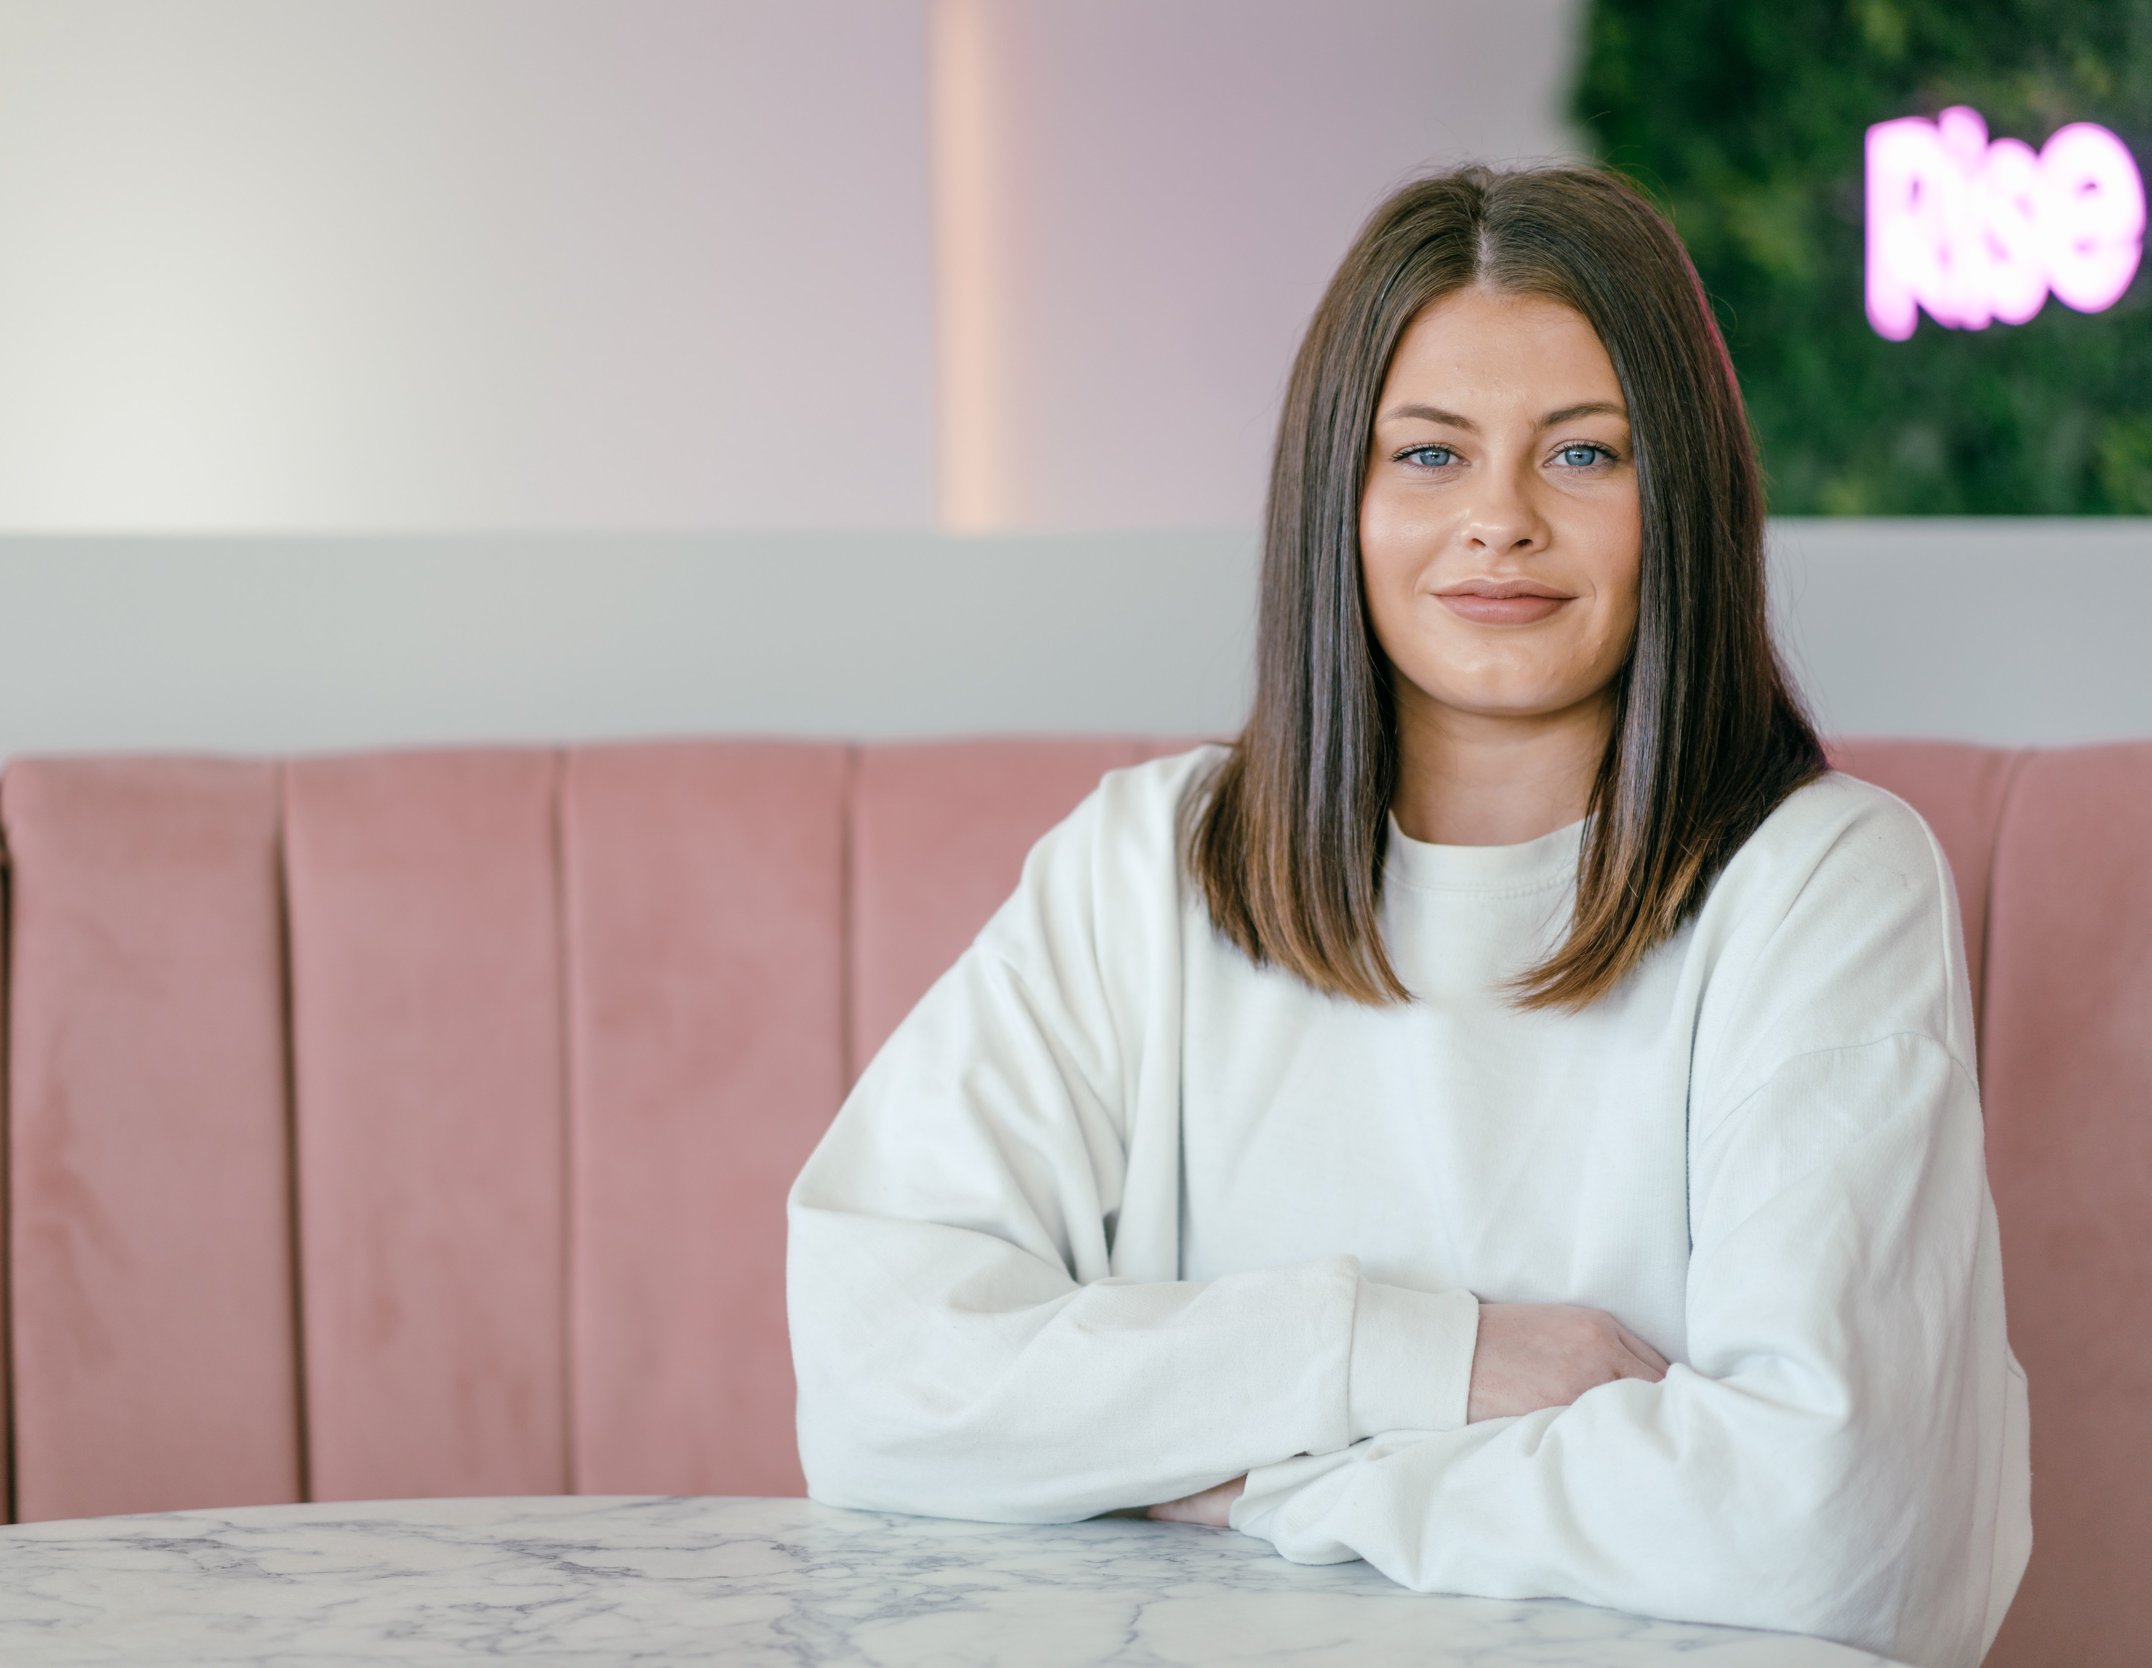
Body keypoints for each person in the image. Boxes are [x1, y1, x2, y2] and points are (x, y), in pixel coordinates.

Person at [785, 163, 2029, 1668]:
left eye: (1583, 454)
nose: (1498, 521)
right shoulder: (1146, 864)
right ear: (1340, 499)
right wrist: (1433, 1355)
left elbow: (1831, 1517)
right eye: (1429, 456)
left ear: (1683, 503)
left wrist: (1259, 1478)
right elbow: (875, 1372)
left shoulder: (1825, 888)